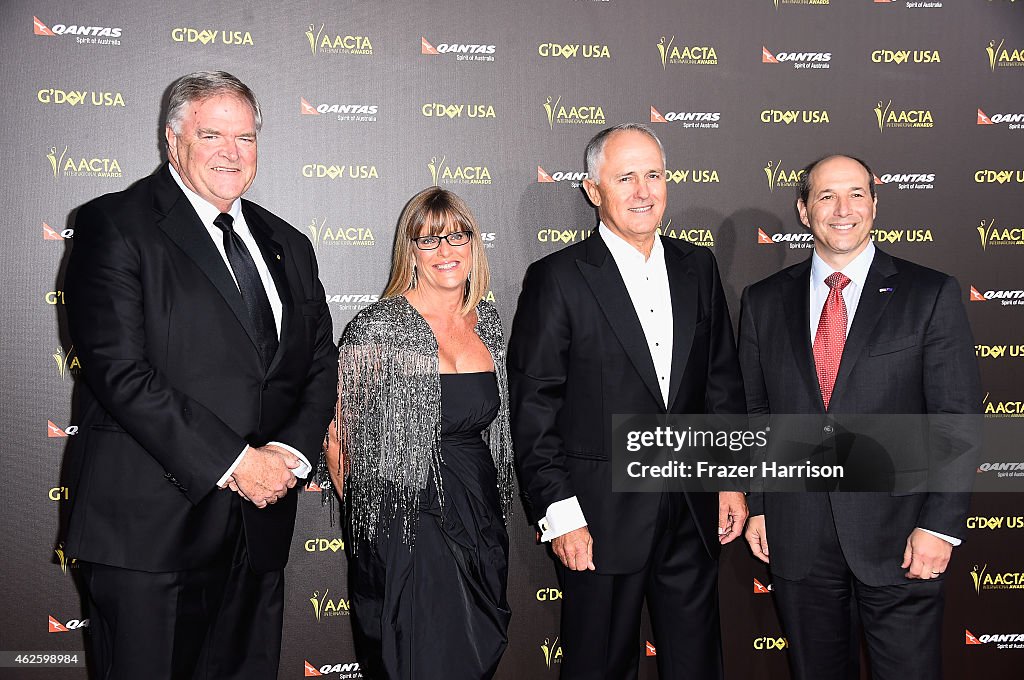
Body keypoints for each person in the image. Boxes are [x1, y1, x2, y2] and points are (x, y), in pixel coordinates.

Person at [62, 71, 338, 679]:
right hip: (149, 534)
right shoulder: (115, 224)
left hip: (258, 529)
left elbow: (320, 361)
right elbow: (119, 371)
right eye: (212, 134)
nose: (231, 152)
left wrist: (287, 454)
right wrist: (238, 463)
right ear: (173, 142)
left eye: (245, 137)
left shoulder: (287, 241)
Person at [508, 123, 747, 679]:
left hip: (692, 509)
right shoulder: (557, 278)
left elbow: (722, 384)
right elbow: (534, 409)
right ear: (593, 190)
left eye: (654, 175)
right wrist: (560, 516)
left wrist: (732, 478)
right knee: (599, 669)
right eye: (625, 177)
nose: (644, 191)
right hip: (598, 518)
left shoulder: (698, 267)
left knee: (697, 665)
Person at [740, 154, 981, 679]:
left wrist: (939, 526)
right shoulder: (762, 302)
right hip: (798, 537)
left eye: (855, 193)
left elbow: (956, 417)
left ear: (875, 203)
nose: (842, 208)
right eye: (826, 196)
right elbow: (757, 414)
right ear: (804, 211)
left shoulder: (929, 293)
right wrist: (759, 505)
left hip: (900, 537)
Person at [321, 187, 515, 680]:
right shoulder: (377, 327)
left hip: (477, 513)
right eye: (429, 241)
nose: (446, 251)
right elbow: (338, 436)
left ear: (474, 243)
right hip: (404, 520)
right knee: (414, 659)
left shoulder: (486, 322)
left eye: (457, 236)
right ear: (409, 251)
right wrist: (376, 527)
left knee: (471, 654)